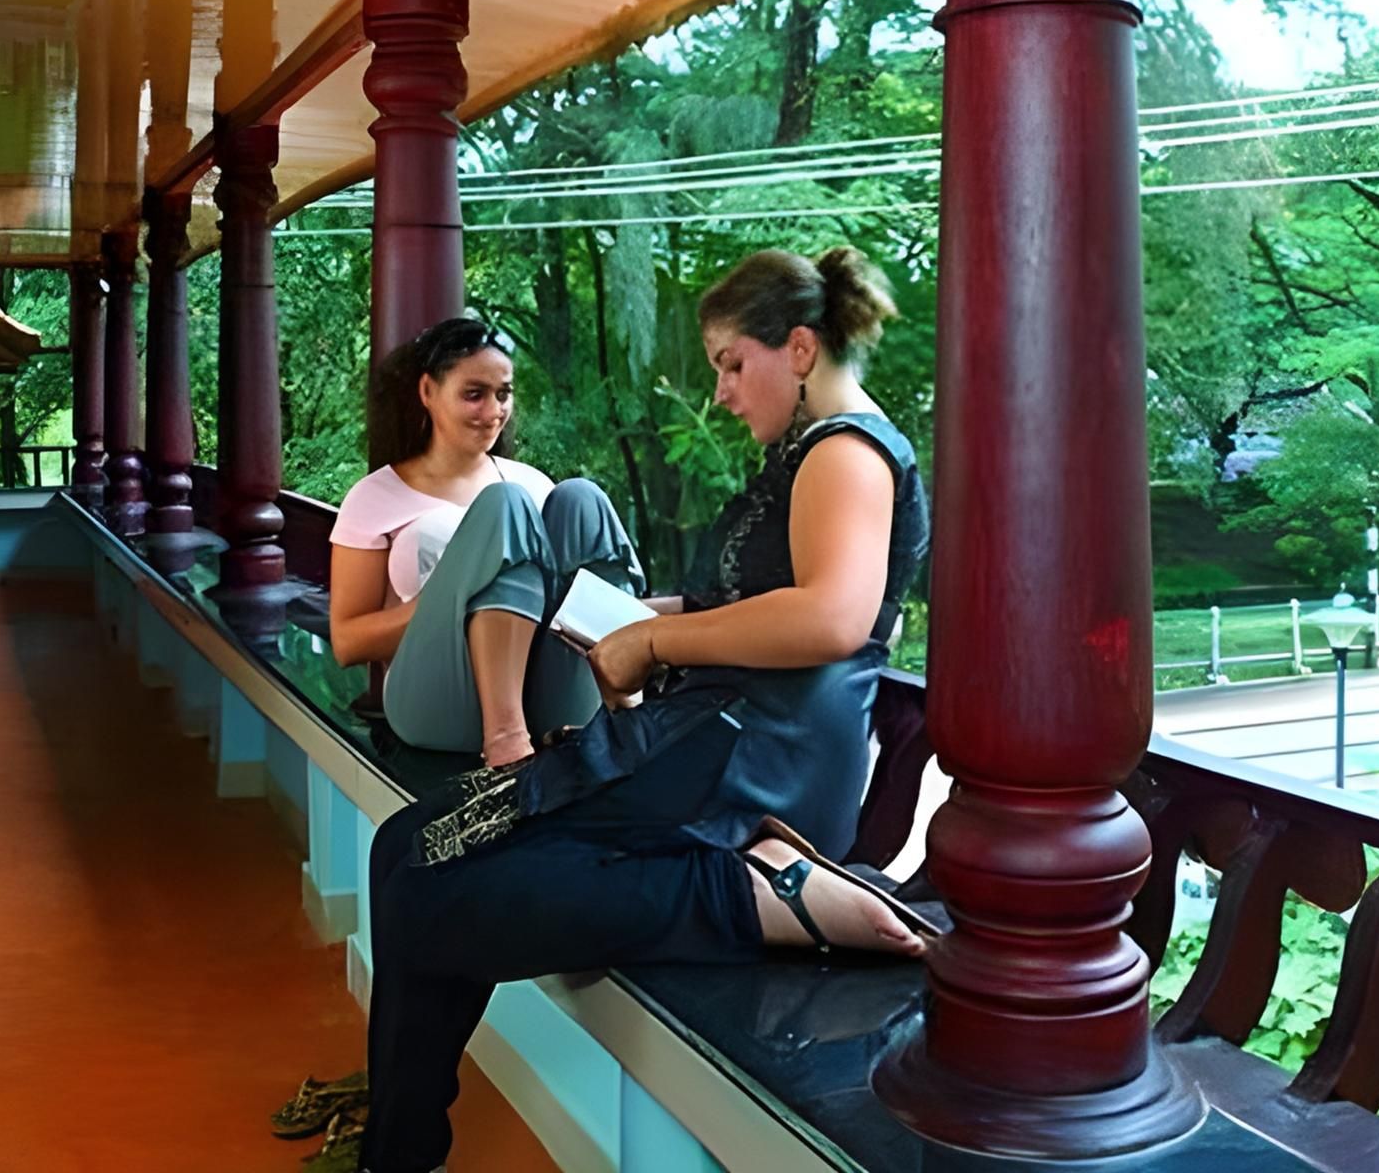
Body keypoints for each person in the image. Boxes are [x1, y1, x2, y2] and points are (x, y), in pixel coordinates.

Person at [314, 247, 938, 1173]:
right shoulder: (808, 455)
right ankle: (400, 1151)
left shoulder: (847, 454)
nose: (723, 392)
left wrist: (653, 644)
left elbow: (833, 615)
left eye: (732, 364)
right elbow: (752, 604)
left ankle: (766, 897)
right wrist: (625, 620)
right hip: (700, 751)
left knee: (431, 876)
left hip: (751, 772)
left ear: (799, 348)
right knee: (413, 842)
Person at [327, 316, 644, 766]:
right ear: (427, 393)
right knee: (504, 507)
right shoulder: (376, 497)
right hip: (436, 701)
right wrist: (452, 600)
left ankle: (630, 703)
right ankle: (505, 740)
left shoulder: (534, 484)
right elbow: (348, 643)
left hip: (548, 699)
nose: (494, 410)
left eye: (504, 394)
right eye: (474, 395)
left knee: (582, 498)